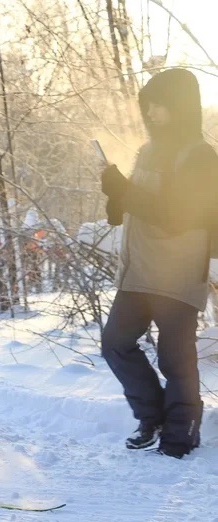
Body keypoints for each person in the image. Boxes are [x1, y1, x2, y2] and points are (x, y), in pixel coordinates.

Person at [99, 68, 217, 459]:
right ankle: (151, 416)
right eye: (147, 106)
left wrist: (126, 192)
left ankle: (181, 434)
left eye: (160, 106)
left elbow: (176, 215)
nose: (151, 113)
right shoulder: (149, 151)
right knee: (115, 343)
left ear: (180, 108)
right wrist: (115, 198)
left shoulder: (200, 156)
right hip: (138, 272)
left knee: (175, 357)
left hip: (178, 273)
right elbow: (135, 205)